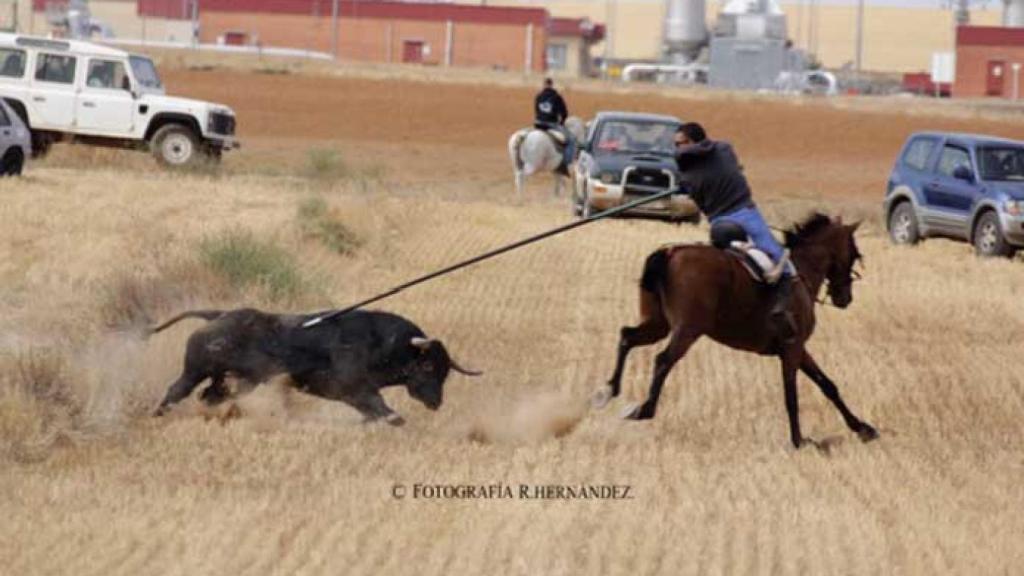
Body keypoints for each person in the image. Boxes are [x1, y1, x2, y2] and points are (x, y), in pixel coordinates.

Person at [673, 122, 796, 340]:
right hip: (745, 215)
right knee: (783, 266)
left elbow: (695, 185)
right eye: (676, 145)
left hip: (719, 224)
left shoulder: (685, 173)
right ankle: (779, 309)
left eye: (682, 143)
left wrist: (686, 186)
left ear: (694, 141)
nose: (678, 149)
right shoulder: (725, 149)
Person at [533, 77, 574, 175]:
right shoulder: (556, 96)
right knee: (570, 140)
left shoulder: (538, 96)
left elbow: (536, 111)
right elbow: (564, 113)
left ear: (544, 84)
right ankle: (565, 164)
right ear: (552, 85)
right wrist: (561, 122)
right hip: (551, 124)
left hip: (538, 124)